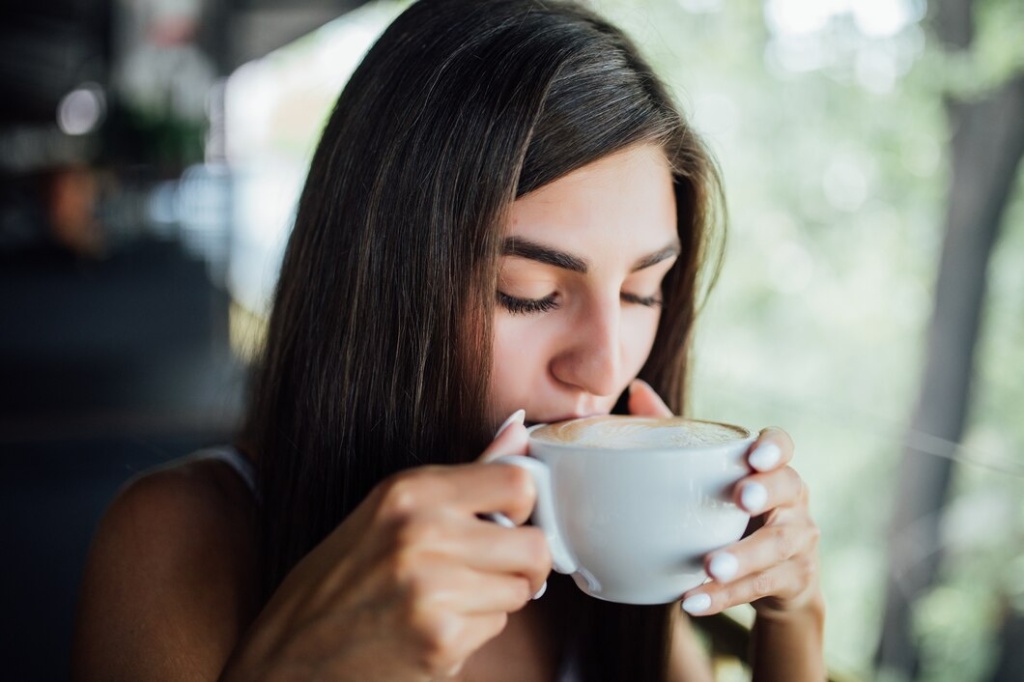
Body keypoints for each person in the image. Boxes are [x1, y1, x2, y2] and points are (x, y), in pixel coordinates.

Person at [72, 0, 825, 679]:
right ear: (378, 278)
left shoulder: (599, 569)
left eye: (640, 292)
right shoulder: (180, 542)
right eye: (526, 295)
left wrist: (793, 620)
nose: (604, 365)